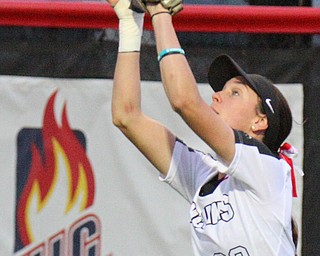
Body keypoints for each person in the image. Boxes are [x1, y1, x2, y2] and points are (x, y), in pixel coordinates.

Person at [109, 0, 298, 255]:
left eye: (235, 93)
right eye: (221, 90)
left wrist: (159, 11)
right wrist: (130, 23)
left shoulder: (267, 168)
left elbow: (185, 102)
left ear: (260, 122)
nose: (217, 96)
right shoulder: (205, 176)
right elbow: (127, 117)